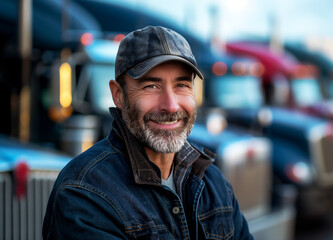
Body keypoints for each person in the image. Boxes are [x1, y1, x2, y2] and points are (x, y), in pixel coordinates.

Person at [42, 26, 253, 239]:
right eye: (151, 86)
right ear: (118, 95)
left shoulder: (213, 182)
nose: (171, 106)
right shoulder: (85, 193)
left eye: (181, 84)